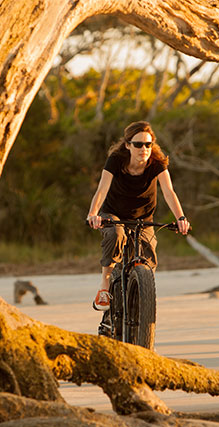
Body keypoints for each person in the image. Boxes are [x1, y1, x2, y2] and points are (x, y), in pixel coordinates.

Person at [86, 121, 190, 312]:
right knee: (116, 234)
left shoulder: (157, 162)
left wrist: (181, 218)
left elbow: (169, 192)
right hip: (113, 214)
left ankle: (141, 298)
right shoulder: (116, 160)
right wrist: (93, 213)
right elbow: (102, 189)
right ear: (127, 145)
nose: (144, 149)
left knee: (148, 258)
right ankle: (104, 286)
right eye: (138, 144)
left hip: (143, 219)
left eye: (148, 144)